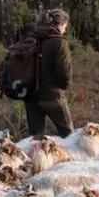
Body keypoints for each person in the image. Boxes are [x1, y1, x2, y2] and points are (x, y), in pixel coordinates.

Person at [26, 8, 75, 138]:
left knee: (35, 140)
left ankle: (35, 158)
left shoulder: (29, 40)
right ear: (59, 25)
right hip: (53, 96)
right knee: (69, 137)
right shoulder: (60, 43)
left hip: (30, 97)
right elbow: (64, 73)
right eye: (64, 26)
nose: (64, 30)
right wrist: (64, 87)